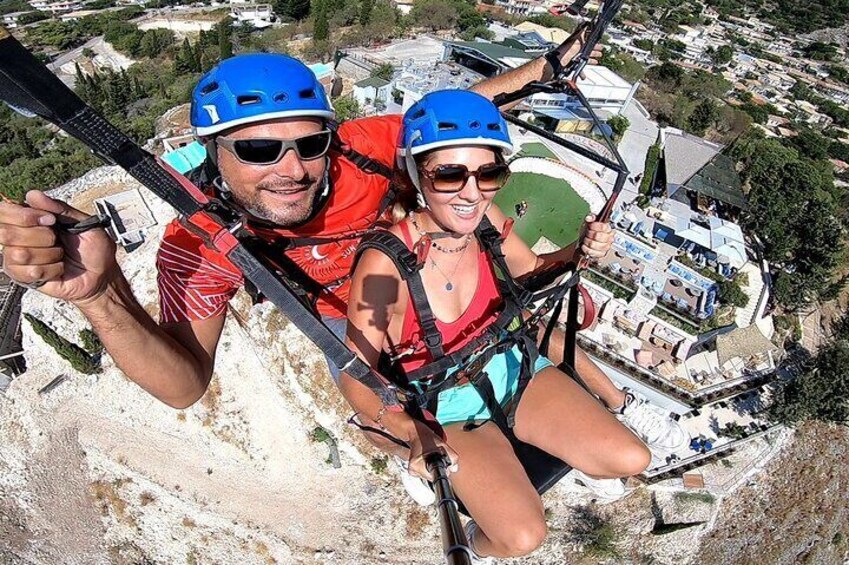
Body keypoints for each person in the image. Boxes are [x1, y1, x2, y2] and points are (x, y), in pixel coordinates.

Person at [0, 42, 683, 503]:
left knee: (517, 291)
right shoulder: (199, 239)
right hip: (349, 315)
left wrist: (547, 65)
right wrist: (100, 296)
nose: (290, 168)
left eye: (308, 144)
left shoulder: (365, 150)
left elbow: (466, 108)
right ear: (214, 156)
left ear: (332, 139)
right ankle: (418, 450)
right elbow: (184, 383)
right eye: (259, 148)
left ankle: (580, 406)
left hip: (418, 273)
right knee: (381, 383)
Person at [338, 90, 651, 560]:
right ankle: (477, 542)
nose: (472, 192)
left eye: (489, 174)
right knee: (522, 539)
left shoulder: (487, 222)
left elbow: (531, 269)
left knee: (632, 458)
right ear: (415, 175)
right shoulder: (386, 265)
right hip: (447, 407)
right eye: (449, 175)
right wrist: (411, 434)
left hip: (512, 368)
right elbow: (356, 370)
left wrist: (578, 250)